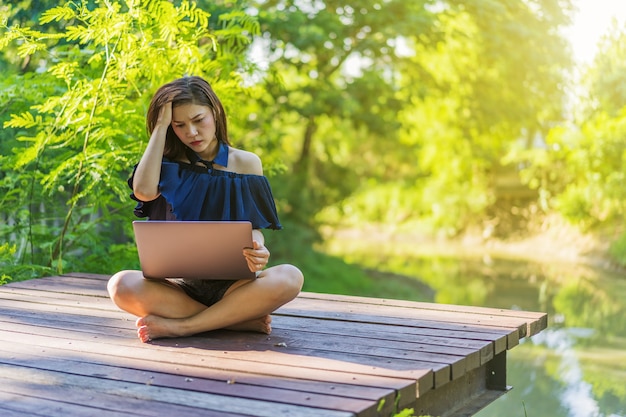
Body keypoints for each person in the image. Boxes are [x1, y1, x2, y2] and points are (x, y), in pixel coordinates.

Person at [107, 76, 304, 343]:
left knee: (290, 277)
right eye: (179, 125)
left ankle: (184, 327)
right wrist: (160, 127)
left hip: (237, 287)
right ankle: (235, 321)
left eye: (199, 120)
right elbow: (143, 191)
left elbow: (253, 227)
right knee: (120, 285)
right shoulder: (165, 164)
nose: (191, 132)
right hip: (179, 288)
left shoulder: (246, 162)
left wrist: (257, 246)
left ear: (216, 112)